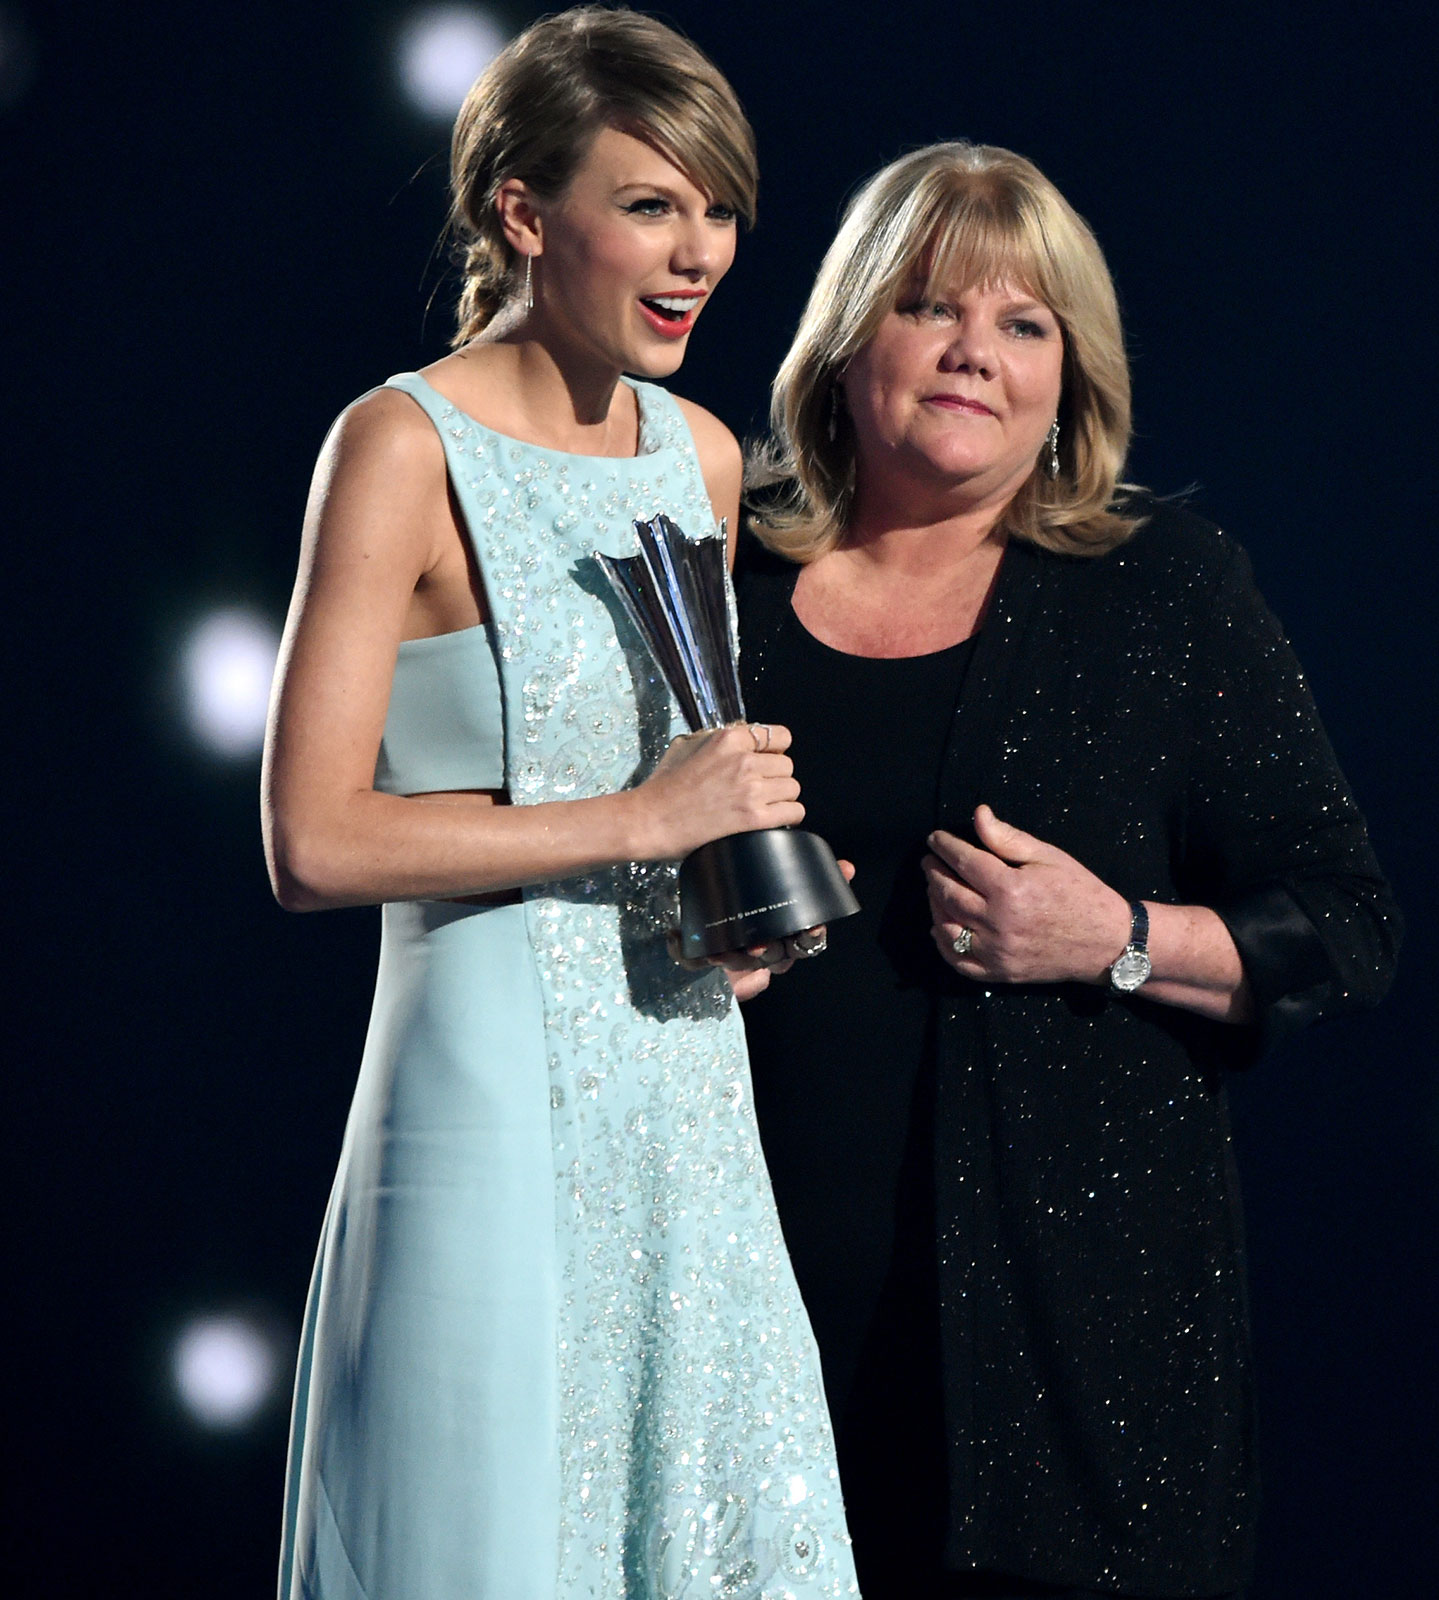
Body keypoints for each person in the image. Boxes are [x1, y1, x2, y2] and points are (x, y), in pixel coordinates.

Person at [731, 143, 1403, 1600]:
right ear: (850, 344)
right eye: (930, 308)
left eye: (1023, 324)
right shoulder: (726, 586)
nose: (975, 353)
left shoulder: (1160, 588)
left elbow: (1347, 926)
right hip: (748, 1339)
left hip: (1070, 1375)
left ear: (1069, 377)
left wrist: (1117, 934)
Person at [262, 10, 856, 1597]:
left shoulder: (704, 458)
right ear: (524, 214)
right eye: (652, 204)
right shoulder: (398, 445)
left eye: (718, 208)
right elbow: (314, 840)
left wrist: (727, 904)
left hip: (684, 1085)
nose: (701, 252)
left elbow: (678, 784)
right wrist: (641, 824)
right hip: (480, 1089)